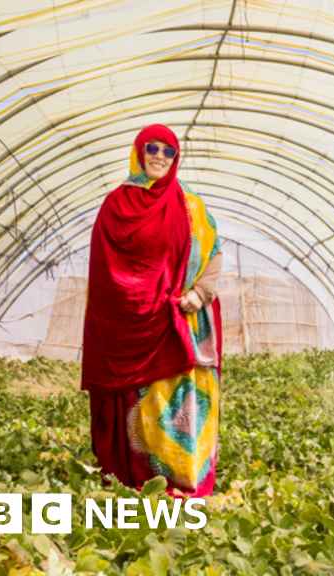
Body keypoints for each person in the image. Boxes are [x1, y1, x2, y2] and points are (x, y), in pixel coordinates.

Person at [81, 124, 223, 498]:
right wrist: (130, 304)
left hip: (179, 320)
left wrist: (200, 293)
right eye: (152, 148)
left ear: (176, 159)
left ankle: (180, 479)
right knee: (137, 405)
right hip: (129, 325)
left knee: (177, 405)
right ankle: (134, 479)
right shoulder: (116, 204)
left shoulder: (191, 205)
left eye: (169, 151)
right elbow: (105, 268)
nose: (160, 156)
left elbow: (214, 253)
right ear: (139, 152)